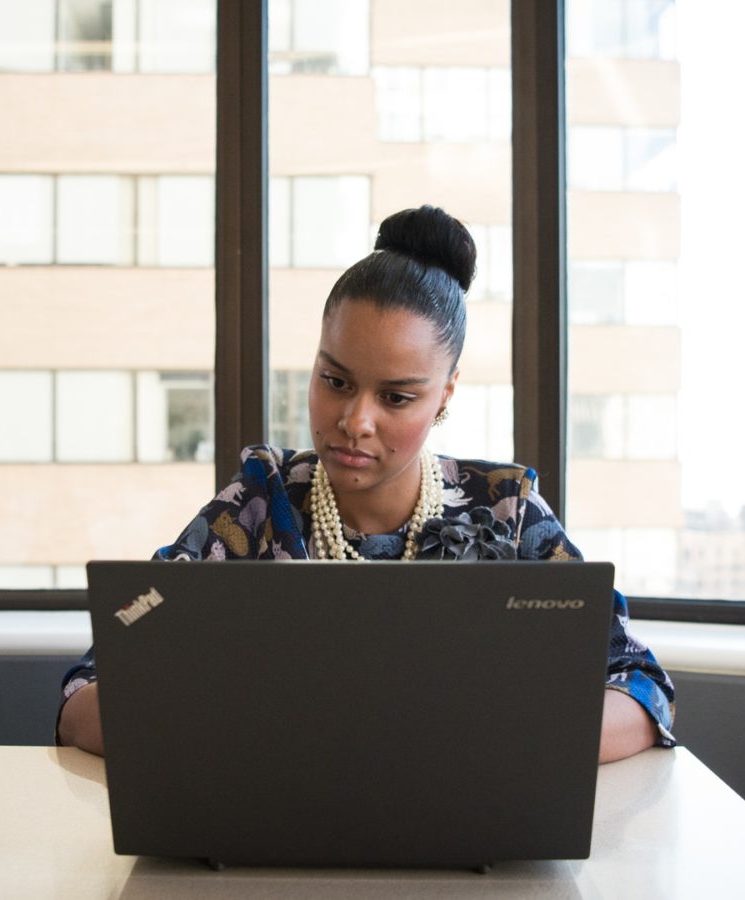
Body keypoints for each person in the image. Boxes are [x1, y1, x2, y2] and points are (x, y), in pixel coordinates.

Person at [57, 205, 676, 762]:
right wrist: (237, 727)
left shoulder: (506, 513)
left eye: (397, 397)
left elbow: (641, 688)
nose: (355, 422)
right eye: (336, 381)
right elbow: (87, 693)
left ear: (446, 395)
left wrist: (494, 740)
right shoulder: (257, 503)